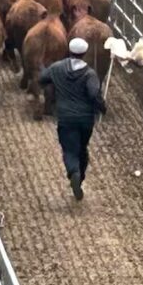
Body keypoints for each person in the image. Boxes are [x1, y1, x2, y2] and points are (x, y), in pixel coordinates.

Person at [39, 38, 106, 201]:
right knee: (82, 148)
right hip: (85, 119)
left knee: (69, 149)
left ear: (69, 51)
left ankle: (74, 172)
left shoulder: (57, 68)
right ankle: (80, 177)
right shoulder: (90, 74)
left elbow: (42, 78)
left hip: (65, 117)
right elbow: (94, 94)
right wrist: (102, 107)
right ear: (84, 53)